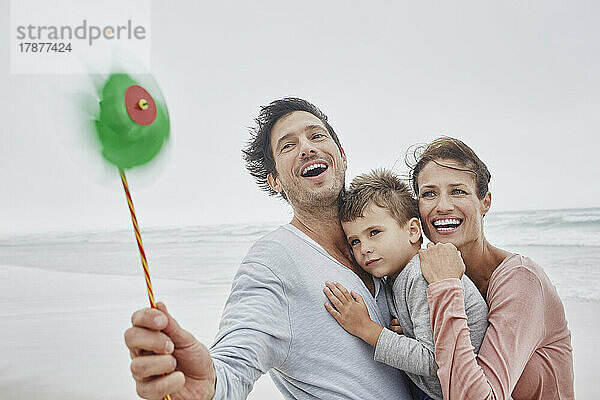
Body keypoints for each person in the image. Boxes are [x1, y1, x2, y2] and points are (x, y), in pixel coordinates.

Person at [124, 98, 414, 399]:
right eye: (288, 146)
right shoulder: (273, 260)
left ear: (342, 157)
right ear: (275, 180)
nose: (307, 148)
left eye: (316, 136)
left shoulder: (380, 244)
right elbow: (236, 357)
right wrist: (208, 384)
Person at [412, 137, 574, 399]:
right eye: (429, 193)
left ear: (485, 201)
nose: (442, 206)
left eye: (458, 191)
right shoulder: (425, 278)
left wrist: (445, 286)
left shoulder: (521, 279)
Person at [323, 169, 488, 400]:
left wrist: (365, 328)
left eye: (375, 232)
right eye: (355, 241)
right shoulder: (394, 276)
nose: (364, 249)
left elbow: (433, 361)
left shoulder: (421, 275)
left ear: (412, 230)